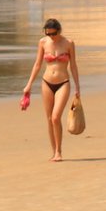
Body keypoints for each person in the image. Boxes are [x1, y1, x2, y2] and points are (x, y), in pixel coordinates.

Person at [21, 18, 81, 162]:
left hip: (63, 83)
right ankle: (54, 151)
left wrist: (77, 87)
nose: (51, 37)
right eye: (48, 34)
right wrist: (28, 85)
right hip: (46, 82)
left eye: (53, 34)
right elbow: (37, 64)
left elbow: (73, 65)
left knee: (55, 117)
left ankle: (59, 151)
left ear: (59, 31)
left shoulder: (69, 43)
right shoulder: (43, 42)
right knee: (49, 119)